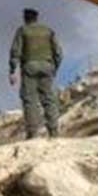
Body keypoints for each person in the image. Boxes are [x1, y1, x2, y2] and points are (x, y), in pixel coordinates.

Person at [9, 8, 62, 139]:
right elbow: (59, 53)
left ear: (25, 18)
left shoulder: (22, 30)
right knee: (49, 99)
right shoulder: (48, 31)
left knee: (30, 99)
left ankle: (33, 133)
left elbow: (16, 52)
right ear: (37, 18)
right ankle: (54, 131)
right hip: (47, 66)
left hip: (30, 67)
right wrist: (54, 68)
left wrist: (12, 70)